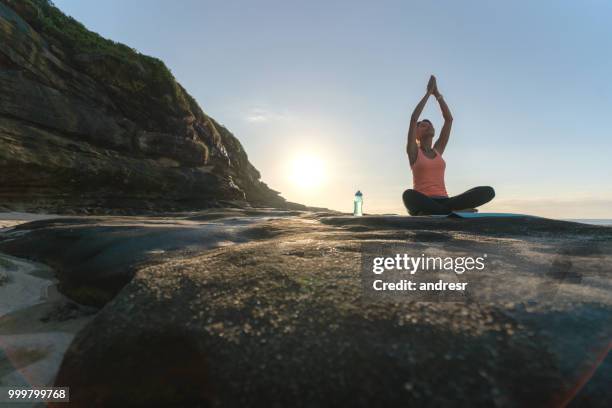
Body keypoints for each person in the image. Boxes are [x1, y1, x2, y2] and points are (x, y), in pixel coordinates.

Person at [403, 75, 495, 215]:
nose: (428, 126)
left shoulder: (438, 150)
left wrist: (437, 94)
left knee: (488, 191)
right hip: (423, 200)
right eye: (423, 126)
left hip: (445, 201)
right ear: (416, 134)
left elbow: (449, 120)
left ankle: (444, 211)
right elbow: (413, 118)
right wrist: (428, 93)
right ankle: (452, 212)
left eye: (430, 124)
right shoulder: (414, 152)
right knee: (408, 195)